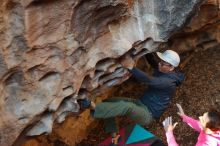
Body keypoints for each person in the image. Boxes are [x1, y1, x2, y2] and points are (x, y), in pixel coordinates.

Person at [81, 50, 185, 145]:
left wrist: (131, 67)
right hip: (141, 103)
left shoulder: (168, 82)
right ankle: (114, 135)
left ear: (171, 67)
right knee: (110, 101)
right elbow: (153, 61)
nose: (159, 63)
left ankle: (93, 107)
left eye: (162, 63)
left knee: (127, 107)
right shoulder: (163, 69)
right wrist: (146, 49)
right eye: (160, 60)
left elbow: (149, 80)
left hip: (148, 115)